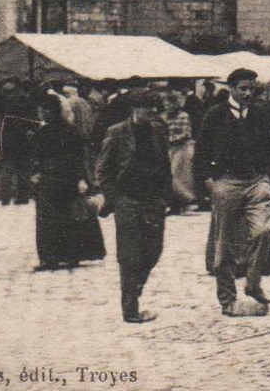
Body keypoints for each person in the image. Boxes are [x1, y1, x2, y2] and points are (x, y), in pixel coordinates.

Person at [195, 68, 270, 315]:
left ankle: (253, 283)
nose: (248, 93)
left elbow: (268, 147)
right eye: (243, 88)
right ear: (231, 88)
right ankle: (227, 299)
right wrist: (209, 183)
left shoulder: (260, 114)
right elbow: (201, 152)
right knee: (224, 245)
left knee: (264, 231)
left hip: (256, 181)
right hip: (226, 182)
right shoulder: (215, 115)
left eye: (252, 88)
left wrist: (267, 175)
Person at [95, 89, 169, 323]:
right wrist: (113, 198)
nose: (153, 112)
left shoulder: (158, 129)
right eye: (148, 107)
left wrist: (166, 196)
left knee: (154, 250)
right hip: (127, 199)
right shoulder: (117, 132)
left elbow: (165, 164)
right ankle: (131, 309)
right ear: (135, 108)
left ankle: (135, 287)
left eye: (156, 107)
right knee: (129, 256)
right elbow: (103, 169)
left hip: (153, 199)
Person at [30, 94, 106, 271]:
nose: (42, 114)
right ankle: (65, 256)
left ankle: (55, 257)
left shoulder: (60, 132)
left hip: (60, 178)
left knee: (56, 218)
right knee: (61, 217)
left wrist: (81, 179)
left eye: (45, 111)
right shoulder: (59, 131)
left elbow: (76, 157)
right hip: (58, 178)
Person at [161, 90, 196, 214]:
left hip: (182, 148)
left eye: (168, 104)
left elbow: (185, 134)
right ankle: (173, 203)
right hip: (168, 149)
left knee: (179, 176)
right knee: (168, 176)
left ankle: (186, 202)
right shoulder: (163, 117)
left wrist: (169, 140)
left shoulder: (183, 116)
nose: (166, 107)